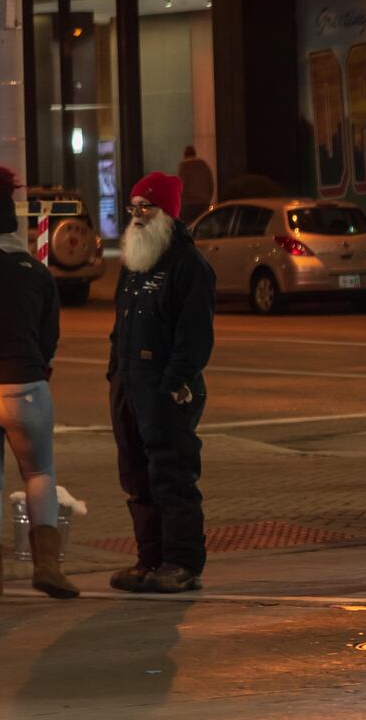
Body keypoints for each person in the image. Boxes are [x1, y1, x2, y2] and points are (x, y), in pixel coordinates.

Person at [0, 165, 78, 607]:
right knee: (39, 473)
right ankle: (48, 568)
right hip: (24, 385)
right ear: (14, 224)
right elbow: (49, 338)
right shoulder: (36, 273)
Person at [108, 172, 216, 594]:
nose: (137, 215)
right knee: (136, 475)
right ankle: (149, 559)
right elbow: (120, 327)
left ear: (167, 213)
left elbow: (195, 336)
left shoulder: (188, 265)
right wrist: (115, 374)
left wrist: (174, 382)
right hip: (128, 385)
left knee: (172, 474)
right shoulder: (134, 263)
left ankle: (181, 563)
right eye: (133, 207)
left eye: (146, 207)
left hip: (166, 388)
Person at [177, 146, 215, 226]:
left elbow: (180, 186)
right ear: (195, 154)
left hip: (189, 205)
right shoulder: (204, 166)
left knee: (189, 227)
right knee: (203, 227)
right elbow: (211, 185)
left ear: (185, 155)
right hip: (204, 204)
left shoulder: (184, 166)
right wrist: (207, 199)